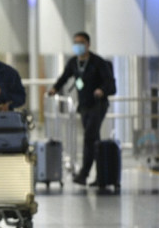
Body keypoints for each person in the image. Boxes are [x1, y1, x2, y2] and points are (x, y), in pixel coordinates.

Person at [48, 31, 116, 186]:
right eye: (76, 43)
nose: (78, 46)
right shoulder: (74, 62)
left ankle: (84, 173)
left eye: (81, 42)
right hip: (84, 106)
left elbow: (111, 84)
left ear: (88, 44)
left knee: (90, 137)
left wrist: (102, 91)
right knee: (94, 140)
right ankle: (101, 176)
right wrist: (54, 89)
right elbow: (64, 77)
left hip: (98, 105)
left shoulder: (98, 62)